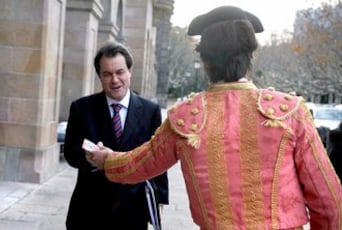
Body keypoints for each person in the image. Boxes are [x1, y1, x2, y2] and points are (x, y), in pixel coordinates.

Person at [87, 5, 342, 229]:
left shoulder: (186, 118)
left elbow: (141, 163)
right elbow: (329, 200)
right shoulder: (290, 112)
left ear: (206, 60)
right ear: (249, 55)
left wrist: (106, 160)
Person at [63, 41, 168, 230]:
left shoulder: (150, 111)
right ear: (99, 76)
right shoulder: (81, 108)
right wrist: (90, 158)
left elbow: (158, 158)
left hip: (132, 211)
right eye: (107, 74)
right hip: (89, 211)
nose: (114, 80)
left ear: (130, 71)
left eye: (119, 72)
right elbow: (70, 153)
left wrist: (160, 199)